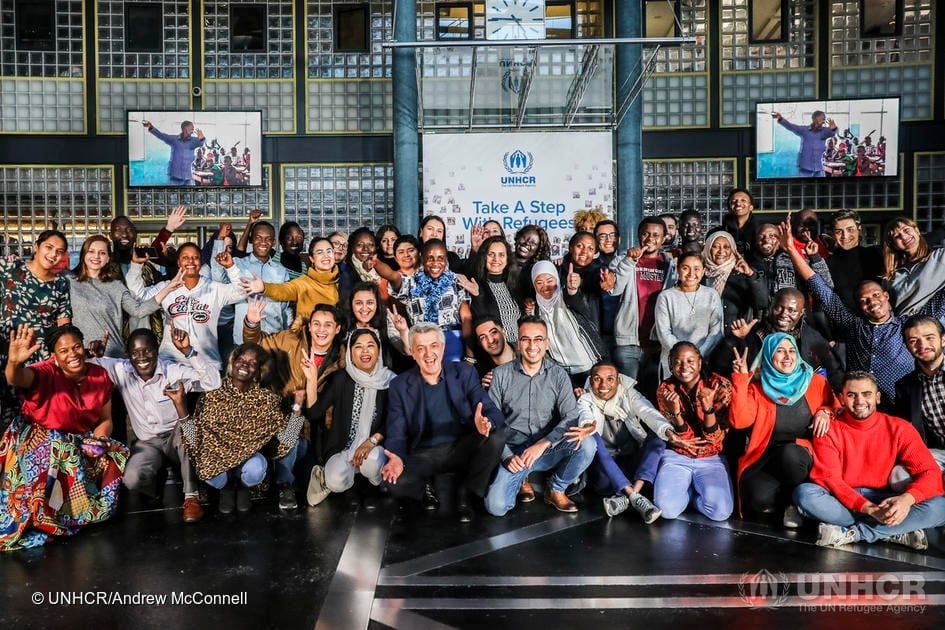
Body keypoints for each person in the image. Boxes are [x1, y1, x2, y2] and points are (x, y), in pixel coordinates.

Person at [781, 222, 945, 405]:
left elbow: (941, 301)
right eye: (864, 300)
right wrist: (791, 249)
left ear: (886, 296)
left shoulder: (906, 326)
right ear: (860, 307)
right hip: (862, 406)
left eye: (876, 295)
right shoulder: (853, 324)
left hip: (901, 407)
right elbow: (819, 287)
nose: (872, 302)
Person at [0, 325, 128, 550]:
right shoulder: (44, 372)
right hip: (39, 438)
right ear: (54, 355)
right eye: (64, 351)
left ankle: (77, 512)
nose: (73, 354)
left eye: (77, 347)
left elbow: (106, 419)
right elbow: (16, 378)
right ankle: (45, 515)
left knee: (115, 455)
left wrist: (99, 440)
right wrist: (14, 363)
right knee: (60, 447)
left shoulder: (99, 375)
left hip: (79, 439)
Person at [794, 371, 945, 550]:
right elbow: (829, 479)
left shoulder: (900, 428)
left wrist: (906, 500)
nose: (860, 401)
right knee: (805, 494)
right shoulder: (828, 428)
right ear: (842, 398)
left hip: (886, 499)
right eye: (852, 395)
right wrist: (868, 509)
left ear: (877, 398)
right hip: (843, 498)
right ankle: (894, 530)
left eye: (867, 394)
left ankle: (856, 533)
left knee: (941, 506)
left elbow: (930, 472)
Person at [91, 327, 220, 523]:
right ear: (128, 355)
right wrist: (94, 356)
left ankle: (191, 497)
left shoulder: (172, 371)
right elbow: (83, 365)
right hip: (148, 442)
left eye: (147, 350)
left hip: (176, 436)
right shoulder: (120, 369)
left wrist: (188, 351)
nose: (142, 357)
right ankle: (155, 487)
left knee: (187, 431)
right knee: (132, 479)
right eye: (135, 352)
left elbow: (214, 383)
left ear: (157, 351)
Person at [381, 323, 507, 523]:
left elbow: (492, 411)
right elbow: (397, 429)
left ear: (442, 347)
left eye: (433, 346)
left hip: (460, 448)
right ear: (412, 352)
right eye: (420, 348)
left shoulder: (463, 372)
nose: (428, 354)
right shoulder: (399, 385)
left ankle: (466, 492)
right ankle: (426, 487)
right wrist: (395, 457)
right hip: (423, 453)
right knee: (393, 481)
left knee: (496, 438)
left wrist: (486, 422)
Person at [484, 316, 598, 516]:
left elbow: (571, 416)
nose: (532, 346)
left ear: (547, 343)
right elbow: (492, 421)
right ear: (518, 342)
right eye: (526, 339)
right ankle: (522, 478)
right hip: (515, 452)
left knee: (588, 444)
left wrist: (544, 443)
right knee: (496, 507)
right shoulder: (500, 375)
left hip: (546, 447)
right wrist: (506, 456)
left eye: (538, 339)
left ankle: (556, 489)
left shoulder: (559, 375)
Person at [177, 343, 305, 514]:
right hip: (217, 461)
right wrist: (179, 404)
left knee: (257, 468)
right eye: (241, 359)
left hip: (248, 459)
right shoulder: (212, 394)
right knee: (208, 469)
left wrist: (297, 405)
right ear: (233, 362)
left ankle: (243, 486)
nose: (245, 365)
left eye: (252, 363)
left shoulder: (267, 400)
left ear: (258, 372)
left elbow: (287, 439)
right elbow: (194, 438)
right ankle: (227, 487)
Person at [729, 333, 836, 526]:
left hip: (801, 455)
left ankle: (796, 504)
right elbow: (739, 421)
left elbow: (836, 408)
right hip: (767, 456)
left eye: (792, 351)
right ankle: (788, 501)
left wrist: (825, 411)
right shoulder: (757, 388)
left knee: (789, 455)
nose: (788, 356)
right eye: (780, 351)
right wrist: (741, 379)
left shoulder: (815, 382)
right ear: (769, 356)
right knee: (756, 498)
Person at [303, 329, 395, 508]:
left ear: (379, 350)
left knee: (373, 462)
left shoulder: (390, 381)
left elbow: (394, 420)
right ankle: (351, 485)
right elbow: (314, 413)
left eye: (370, 345)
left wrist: (372, 441)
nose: (365, 351)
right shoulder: (341, 379)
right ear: (350, 353)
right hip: (342, 448)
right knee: (335, 480)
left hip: (375, 447)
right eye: (358, 346)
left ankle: (371, 485)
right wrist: (311, 380)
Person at [577, 361, 674, 523]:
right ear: (591, 381)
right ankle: (636, 496)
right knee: (591, 437)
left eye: (610, 379)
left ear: (618, 380)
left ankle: (630, 495)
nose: (603, 385)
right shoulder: (585, 399)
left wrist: (669, 432)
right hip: (605, 473)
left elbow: (648, 412)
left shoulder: (628, 394)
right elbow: (584, 415)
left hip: (632, 465)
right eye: (597, 379)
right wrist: (588, 426)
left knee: (659, 434)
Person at [127, 243, 247, 371]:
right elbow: (139, 295)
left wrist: (231, 267)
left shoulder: (214, 288)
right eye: (185, 257)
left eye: (195, 257)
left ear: (200, 262)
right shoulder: (167, 287)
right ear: (178, 262)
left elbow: (242, 292)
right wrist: (136, 265)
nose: (190, 261)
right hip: (171, 361)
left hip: (207, 361)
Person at [653, 342, 734, 521]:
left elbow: (715, 440)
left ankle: (694, 499)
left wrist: (708, 410)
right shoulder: (666, 389)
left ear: (700, 362)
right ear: (671, 365)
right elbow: (683, 439)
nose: (684, 367)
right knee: (666, 510)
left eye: (690, 361)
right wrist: (676, 414)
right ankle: (687, 491)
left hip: (711, 456)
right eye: (677, 362)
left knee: (720, 512)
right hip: (678, 454)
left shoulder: (720, 385)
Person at [0, 230, 74, 426]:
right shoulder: (10, 268)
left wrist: (67, 352)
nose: (53, 254)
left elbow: (64, 322)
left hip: (40, 356)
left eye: (59, 251)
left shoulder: (61, 284)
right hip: (6, 350)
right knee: (6, 415)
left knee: (38, 414)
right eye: (49, 247)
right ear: (36, 247)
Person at [67, 235, 179, 358]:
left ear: (108, 258)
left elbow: (138, 311)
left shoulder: (116, 285)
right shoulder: (68, 280)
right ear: (83, 254)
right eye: (91, 251)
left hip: (112, 355)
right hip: (79, 355)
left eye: (102, 253)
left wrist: (168, 287)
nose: (96, 256)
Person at [711, 288, 844, 391]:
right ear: (771, 306)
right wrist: (734, 339)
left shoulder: (813, 339)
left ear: (802, 313)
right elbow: (717, 367)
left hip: (797, 407)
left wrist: (826, 409)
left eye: (792, 311)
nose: (784, 314)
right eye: (779, 307)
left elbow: (835, 375)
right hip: (755, 400)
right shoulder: (752, 333)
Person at [610, 217, 677, 394]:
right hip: (627, 342)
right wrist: (629, 261)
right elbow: (615, 289)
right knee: (625, 395)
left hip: (657, 344)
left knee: (652, 395)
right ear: (639, 235)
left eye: (656, 235)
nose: (650, 239)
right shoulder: (622, 259)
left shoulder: (670, 266)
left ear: (664, 238)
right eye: (646, 234)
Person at [210, 221, 293, 345]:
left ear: (274, 242)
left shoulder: (281, 271)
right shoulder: (237, 264)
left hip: (274, 339)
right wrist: (220, 239)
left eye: (268, 239)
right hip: (244, 341)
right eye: (258, 238)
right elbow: (218, 277)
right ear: (251, 240)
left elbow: (285, 308)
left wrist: (288, 335)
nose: (263, 242)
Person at [529, 261, 604, 386]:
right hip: (562, 372)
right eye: (539, 282)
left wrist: (573, 289)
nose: (545, 286)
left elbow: (575, 298)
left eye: (549, 281)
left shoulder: (566, 297)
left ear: (557, 279)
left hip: (588, 367)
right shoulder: (534, 309)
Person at [653, 253, 724, 379]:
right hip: (674, 362)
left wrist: (698, 355)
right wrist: (684, 356)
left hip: (704, 361)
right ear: (678, 269)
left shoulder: (711, 295)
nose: (691, 273)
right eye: (686, 268)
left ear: (703, 271)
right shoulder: (666, 297)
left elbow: (716, 331)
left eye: (696, 269)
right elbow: (664, 333)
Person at [241, 236, 341, 324]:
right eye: (320, 252)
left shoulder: (343, 280)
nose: (326, 256)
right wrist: (264, 287)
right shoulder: (303, 283)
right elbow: (283, 290)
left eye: (329, 251)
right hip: (307, 336)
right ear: (311, 258)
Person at [894, 315, 945, 471]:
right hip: (940, 453)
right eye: (913, 341)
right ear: (907, 347)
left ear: (943, 340)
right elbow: (904, 428)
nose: (922, 345)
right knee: (899, 474)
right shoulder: (905, 386)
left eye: (929, 337)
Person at [701, 231, 769, 327]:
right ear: (708, 248)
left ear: (733, 250)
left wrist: (750, 274)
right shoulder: (700, 274)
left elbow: (762, 303)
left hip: (733, 334)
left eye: (726, 247)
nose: (721, 251)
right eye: (715, 246)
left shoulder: (741, 274)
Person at [883, 216, 945, 317]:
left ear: (917, 230)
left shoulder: (940, 257)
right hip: (904, 323)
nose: (904, 237)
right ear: (894, 245)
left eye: (906, 230)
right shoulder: (890, 275)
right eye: (897, 236)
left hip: (933, 320)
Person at [465, 236, 522, 344]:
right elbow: (482, 321)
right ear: (484, 257)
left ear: (507, 258)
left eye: (501, 255)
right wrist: (477, 295)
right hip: (493, 349)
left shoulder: (514, 285)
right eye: (491, 254)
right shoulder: (475, 284)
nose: (496, 259)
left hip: (517, 349)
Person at [826, 209, 885, 312]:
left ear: (859, 228)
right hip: (843, 319)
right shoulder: (827, 264)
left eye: (850, 229)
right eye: (839, 231)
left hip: (879, 315)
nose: (845, 236)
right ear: (832, 234)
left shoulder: (876, 255)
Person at [771, 110, 839, 177]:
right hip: (805, 168)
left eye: (824, 119)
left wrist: (834, 128)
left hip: (819, 169)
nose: (824, 120)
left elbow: (833, 133)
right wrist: (780, 118)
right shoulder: (805, 130)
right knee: (804, 184)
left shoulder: (824, 131)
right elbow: (791, 126)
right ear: (815, 119)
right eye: (822, 118)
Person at [142, 119, 206, 185]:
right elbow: (161, 136)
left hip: (188, 177)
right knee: (174, 191)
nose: (193, 130)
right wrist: (151, 127)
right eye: (191, 128)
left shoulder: (193, 141)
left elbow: (201, 143)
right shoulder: (174, 139)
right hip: (175, 177)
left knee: (190, 191)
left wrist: (202, 138)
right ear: (185, 128)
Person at [721, 188, 761, 257]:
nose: (738, 203)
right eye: (734, 201)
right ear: (729, 208)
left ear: (751, 207)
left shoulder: (761, 231)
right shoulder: (720, 232)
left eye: (743, 200)